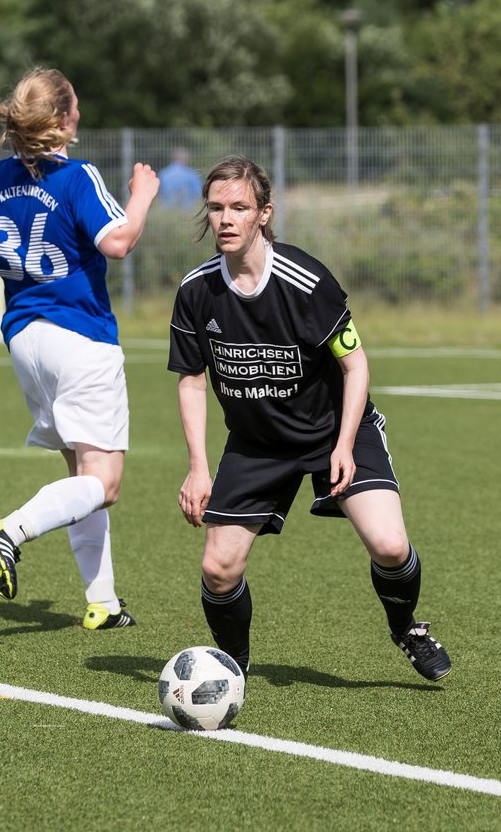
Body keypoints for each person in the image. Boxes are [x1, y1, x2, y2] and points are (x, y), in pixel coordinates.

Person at [167, 156, 451, 681]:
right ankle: (235, 669)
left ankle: (407, 627)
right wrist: (197, 467)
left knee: (389, 544)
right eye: (215, 208)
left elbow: (355, 364)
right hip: (257, 442)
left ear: (263, 214)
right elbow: (190, 379)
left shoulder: (305, 280)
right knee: (218, 568)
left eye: (239, 207)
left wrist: (343, 446)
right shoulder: (196, 291)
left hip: (334, 429)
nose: (225, 219)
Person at [0, 67, 159, 630]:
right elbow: (118, 242)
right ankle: (11, 531)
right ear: (66, 119)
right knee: (105, 483)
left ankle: (104, 603)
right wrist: (142, 197)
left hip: (25, 338)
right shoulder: (77, 177)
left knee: (81, 474)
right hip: (79, 336)